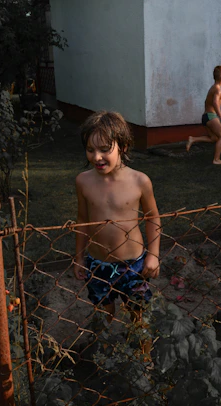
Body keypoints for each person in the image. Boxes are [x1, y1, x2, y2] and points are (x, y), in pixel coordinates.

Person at [74, 110, 161, 362]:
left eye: (104, 149)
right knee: (103, 314)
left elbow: (153, 217)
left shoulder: (139, 181)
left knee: (138, 316)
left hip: (133, 265)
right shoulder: (83, 181)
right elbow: (82, 220)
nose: (97, 157)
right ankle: (103, 356)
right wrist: (79, 258)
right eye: (90, 150)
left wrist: (153, 255)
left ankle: (144, 361)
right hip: (98, 264)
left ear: (122, 146)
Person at [186, 65, 221, 165]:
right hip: (211, 116)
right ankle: (216, 159)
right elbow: (215, 103)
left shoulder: (213, 88)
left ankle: (193, 139)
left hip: (206, 117)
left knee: (214, 138)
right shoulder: (217, 89)